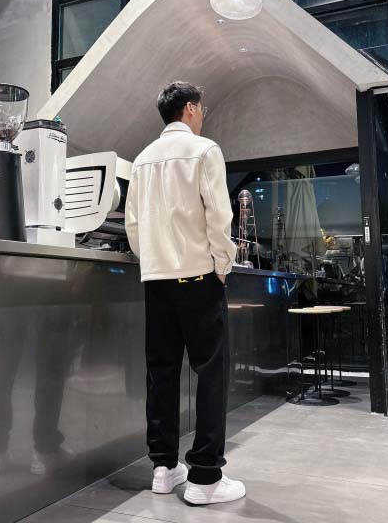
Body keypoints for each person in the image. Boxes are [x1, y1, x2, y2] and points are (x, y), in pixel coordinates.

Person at [125, 81, 245, 505]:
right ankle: (205, 477)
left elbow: (133, 226)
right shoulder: (204, 151)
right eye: (202, 109)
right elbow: (219, 218)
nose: (203, 116)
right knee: (210, 372)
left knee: (161, 372)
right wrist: (222, 266)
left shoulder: (141, 160)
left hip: (156, 280)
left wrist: (153, 261)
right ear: (190, 109)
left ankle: (163, 468)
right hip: (198, 277)